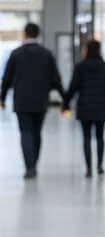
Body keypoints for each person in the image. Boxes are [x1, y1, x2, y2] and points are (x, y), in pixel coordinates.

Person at [0, 22, 64, 179]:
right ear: (38, 34)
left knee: (26, 132)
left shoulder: (16, 54)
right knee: (36, 132)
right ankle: (33, 163)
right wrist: (65, 98)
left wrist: (2, 98)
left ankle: (30, 167)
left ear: (25, 34)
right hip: (40, 100)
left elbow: (7, 79)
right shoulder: (46, 54)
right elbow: (56, 79)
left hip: (22, 101)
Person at [63, 39, 105, 176]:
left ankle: (89, 168)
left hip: (84, 106)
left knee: (86, 137)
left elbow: (73, 87)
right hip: (101, 106)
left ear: (86, 50)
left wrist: (66, 103)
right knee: (100, 137)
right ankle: (100, 166)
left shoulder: (80, 67)